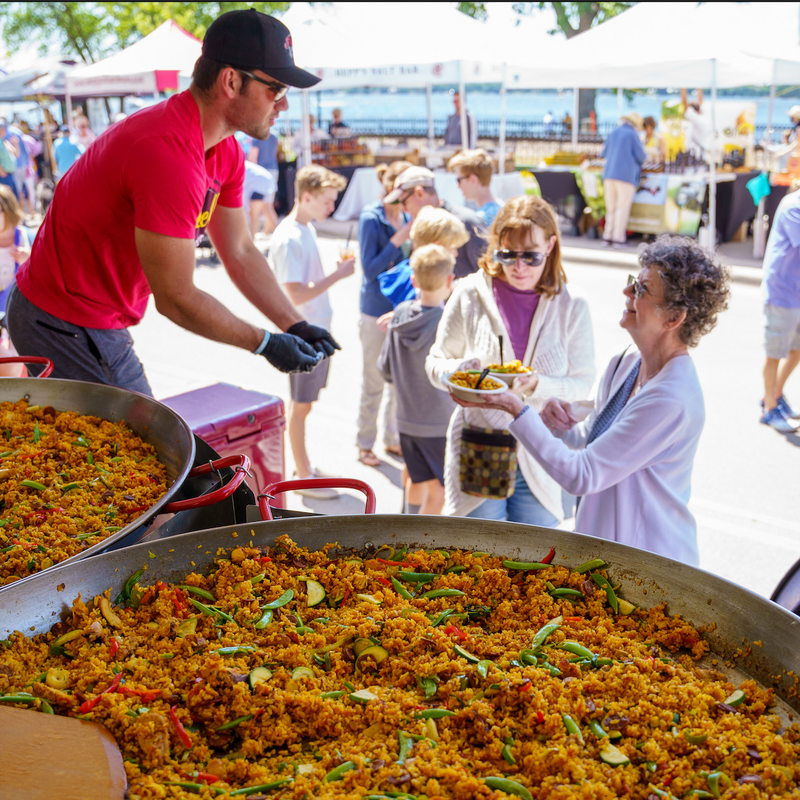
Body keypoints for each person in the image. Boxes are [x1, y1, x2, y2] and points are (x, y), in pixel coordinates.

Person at [6, 9, 336, 394]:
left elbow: (241, 250)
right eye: (276, 90)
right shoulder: (167, 153)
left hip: (88, 313)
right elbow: (176, 299)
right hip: (60, 316)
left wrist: (293, 324)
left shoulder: (224, 149)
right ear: (231, 81)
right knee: (141, 444)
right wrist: (265, 343)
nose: (283, 105)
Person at [451, 236, 730, 567]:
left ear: (673, 318)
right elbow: (592, 439)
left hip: (650, 559)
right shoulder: (627, 361)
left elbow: (582, 474)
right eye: (632, 283)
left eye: (641, 290)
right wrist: (557, 426)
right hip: (607, 548)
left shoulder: (671, 398)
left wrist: (516, 407)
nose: (627, 294)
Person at [425, 195, 595, 526]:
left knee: (539, 564)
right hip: (479, 449)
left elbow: (583, 383)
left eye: (530, 256)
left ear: (550, 245)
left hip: (541, 454)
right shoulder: (470, 292)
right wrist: (456, 372)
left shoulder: (573, 304)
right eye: (507, 255)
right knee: (477, 562)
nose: (518, 267)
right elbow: (435, 363)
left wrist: (538, 385)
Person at [271, 165, 355, 496]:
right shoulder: (291, 236)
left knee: (303, 404)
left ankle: (303, 467)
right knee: (300, 404)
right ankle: (303, 475)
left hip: (312, 330)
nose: (331, 208)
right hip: (302, 333)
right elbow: (296, 293)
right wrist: (338, 275)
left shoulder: (304, 229)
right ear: (307, 196)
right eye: (327, 201)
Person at [378, 244, 456, 515]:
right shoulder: (447, 322)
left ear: (413, 280)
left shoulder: (399, 314)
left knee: (415, 477)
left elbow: (385, 368)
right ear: (450, 280)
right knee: (440, 492)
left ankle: (405, 526)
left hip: (406, 418)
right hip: (438, 424)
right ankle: (417, 547)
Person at [356, 160, 413, 466]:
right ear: (392, 188)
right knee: (374, 381)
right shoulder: (371, 218)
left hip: (402, 311)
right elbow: (370, 270)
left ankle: (391, 439)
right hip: (374, 312)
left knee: (398, 382)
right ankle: (365, 443)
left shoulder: (406, 214)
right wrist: (398, 239)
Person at [384, 166, 486, 280]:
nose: (403, 209)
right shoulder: (418, 225)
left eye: (404, 202)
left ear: (419, 193)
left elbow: (486, 273)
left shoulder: (466, 221)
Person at [759, 181, 800, 433]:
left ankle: (774, 393)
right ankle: (769, 408)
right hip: (783, 291)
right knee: (774, 352)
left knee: (797, 350)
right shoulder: (794, 205)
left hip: (796, 292)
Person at [378, 205, 469, 310]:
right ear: (438, 247)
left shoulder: (412, 277)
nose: (456, 253)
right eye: (453, 247)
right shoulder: (420, 291)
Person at [602, 112, 646, 248]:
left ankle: (607, 236)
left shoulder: (614, 132)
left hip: (609, 174)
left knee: (611, 207)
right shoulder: (633, 135)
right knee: (622, 207)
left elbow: (603, 153)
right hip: (626, 176)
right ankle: (618, 238)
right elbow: (642, 156)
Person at [447, 148, 501, 226]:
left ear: (473, 179)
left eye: (459, 180)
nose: (458, 186)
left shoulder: (482, 220)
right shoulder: (501, 207)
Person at [247, 131, 281, 235]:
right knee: (268, 203)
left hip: (261, 173)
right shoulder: (274, 136)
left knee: (264, 206)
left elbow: (253, 157)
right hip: (273, 170)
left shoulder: (257, 135)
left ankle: (277, 234)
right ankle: (267, 231)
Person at [242, 160, 277, 239]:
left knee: (254, 214)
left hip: (259, 183)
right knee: (267, 208)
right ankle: (278, 236)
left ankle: (251, 241)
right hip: (267, 180)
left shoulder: (235, 164)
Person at [680, 88, 709, 161]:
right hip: (702, 154)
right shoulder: (703, 116)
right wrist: (699, 86)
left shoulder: (696, 119)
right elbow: (700, 99)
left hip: (695, 156)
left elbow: (684, 101)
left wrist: (683, 87)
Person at [0, 120, 19, 198]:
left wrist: (16, 143)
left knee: (14, 198)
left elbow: (16, 154)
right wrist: (2, 172)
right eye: (3, 128)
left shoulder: (5, 142)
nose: (5, 130)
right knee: (7, 200)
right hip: (3, 176)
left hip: (10, 174)